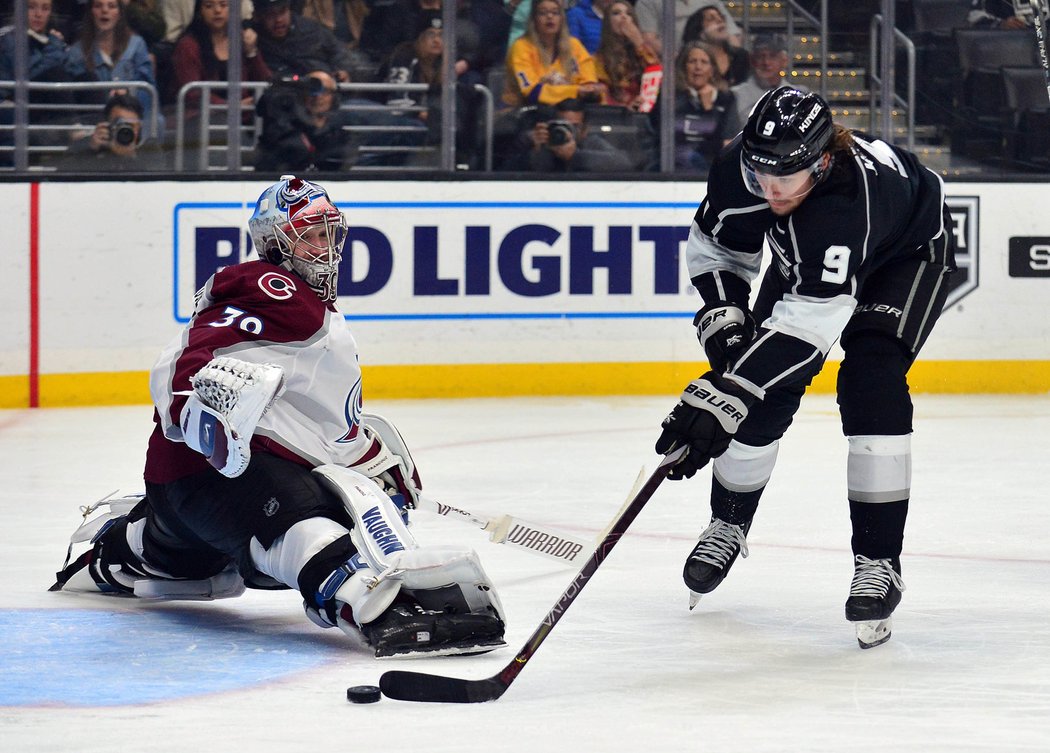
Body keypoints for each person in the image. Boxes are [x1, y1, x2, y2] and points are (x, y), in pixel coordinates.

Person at [51, 175, 508, 659]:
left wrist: (370, 457)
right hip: (210, 472)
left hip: (196, 493)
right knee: (303, 524)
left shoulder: (310, 305)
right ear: (275, 243)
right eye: (311, 234)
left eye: (330, 232)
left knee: (193, 563)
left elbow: (311, 418)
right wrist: (190, 408)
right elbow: (192, 353)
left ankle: (121, 549)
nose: (325, 246)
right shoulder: (270, 288)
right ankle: (372, 603)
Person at [653, 86, 956, 650]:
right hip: (812, 266)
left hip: (906, 255)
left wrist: (731, 388)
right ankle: (729, 522)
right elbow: (718, 250)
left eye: (786, 175)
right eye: (761, 170)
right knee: (752, 384)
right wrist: (725, 328)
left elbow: (812, 322)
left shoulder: (845, 202)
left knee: (872, 380)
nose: (770, 188)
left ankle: (879, 561)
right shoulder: (740, 169)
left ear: (821, 162)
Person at [169, 0, 272, 158]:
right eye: (209, 6)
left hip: (244, 116)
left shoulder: (242, 39)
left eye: (223, 5)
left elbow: (266, 81)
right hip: (202, 118)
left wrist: (251, 51)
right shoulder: (188, 45)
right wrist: (231, 106)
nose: (217, 11)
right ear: (200, 11)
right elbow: (192, 93)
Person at [63, 0, 164, 138]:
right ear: (90, 12)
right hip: (97, 118)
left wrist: (129, 92)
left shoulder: (137, 45)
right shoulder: (76, 53)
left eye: (111, 6)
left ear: (120, 13)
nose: (105, 11)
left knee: (157, 121)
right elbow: (76, 98)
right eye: (98, 6)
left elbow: (149, 89)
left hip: (131, 112)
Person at [649, 40, 739, 173]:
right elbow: (658, 135)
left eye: (704, 62)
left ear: (712, 69)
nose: (698, 67)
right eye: (692, 61)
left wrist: (708, 109)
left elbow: (727, 144)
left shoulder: (725, 98)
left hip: (709, 166)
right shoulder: (669, 97)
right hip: (671, 165)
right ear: (683, 67)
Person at [503, 0, 606, 107]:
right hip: (526, 109)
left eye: (555, 12)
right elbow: (531, 92)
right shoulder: (521, 47)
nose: (550, 16)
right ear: (534, 19)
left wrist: (590, 89)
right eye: (543, 13)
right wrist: (575, 91)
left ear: (562, 18)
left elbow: (589, 83)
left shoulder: (574, 45)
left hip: (573, 108)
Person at [253, 69, 359, 171]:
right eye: (311, 89)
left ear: (334, 97)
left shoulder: (340, 137)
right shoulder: (283, 132)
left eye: (325, 91)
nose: (318, 96)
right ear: (301, 93)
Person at [503, 96, 632, 172]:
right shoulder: (535, 139)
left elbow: (623, 162)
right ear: (551, 123)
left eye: (574, 126)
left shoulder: (589, 142)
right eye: (562, 124)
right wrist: (535, 152)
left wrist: (574, 156)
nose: (567, 130)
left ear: (585, 129)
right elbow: (504, 171)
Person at [49, 92, 169, 169]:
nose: (125, 129)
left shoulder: (149, 150)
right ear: (107, 123)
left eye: (131, 125)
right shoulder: (90, 145)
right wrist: (90, 149)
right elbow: (61, 177)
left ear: (140, 126)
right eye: (119, 123)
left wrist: (131, 157)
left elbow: (155, 187)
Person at [253, 0, 352, 81]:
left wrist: (343, 70)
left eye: (282, 12)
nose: (278, 20)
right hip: (281, 92)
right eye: (271, 15)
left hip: (321, 89)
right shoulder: (256, 40)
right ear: (260, 17)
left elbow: (339, 54)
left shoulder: (313, 30)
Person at [594, 0, 661, 111]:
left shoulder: (641, 53)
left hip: (643, 112)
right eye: (616, 13)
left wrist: (639, 43)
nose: (624, 17)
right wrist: (625, 108)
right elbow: (602, 95)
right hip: (613, 116)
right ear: (608, 23)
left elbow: (655, 74)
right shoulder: (599, 59)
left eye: (628, 14)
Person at [730, 33, 798, 124]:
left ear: (784, 61)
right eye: (760, 56)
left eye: (773, 56)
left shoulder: (796, 95)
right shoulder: (735, 95)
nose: (766, 62)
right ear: (752, 60)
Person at [680, 2, 748, 87]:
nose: (720, 21)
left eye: (722, 18)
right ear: (701, 33)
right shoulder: (687, 60)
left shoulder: (740, 56)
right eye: (711, 19)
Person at [634, 0, 742, 53]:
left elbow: (732, 35)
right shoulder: (647, 2)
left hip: (716, 62)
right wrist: (681, 60)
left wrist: (734, 60)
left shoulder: (712, 1)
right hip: (674, 68)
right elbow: (649, 40)